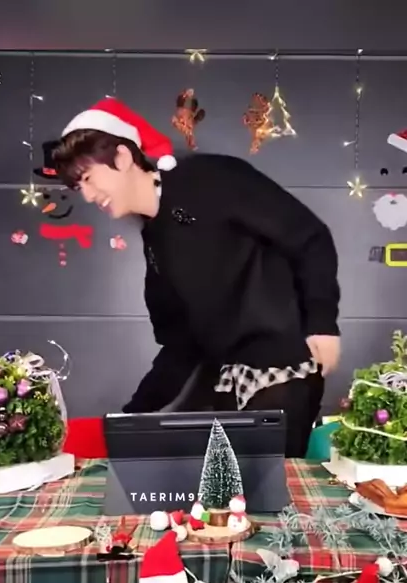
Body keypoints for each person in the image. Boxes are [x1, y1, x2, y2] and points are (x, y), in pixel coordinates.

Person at [52, 97, 341, 458]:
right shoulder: (155, 239)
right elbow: (181, 345)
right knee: (220, 488)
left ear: (122, 157)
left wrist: (322, 323)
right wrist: (130, 416)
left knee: (265, 481)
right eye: (78, 187)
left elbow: (308, 236)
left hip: (284, 370)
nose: (88, 195)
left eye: (88, 178)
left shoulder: (209, 177)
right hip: (227, 381)